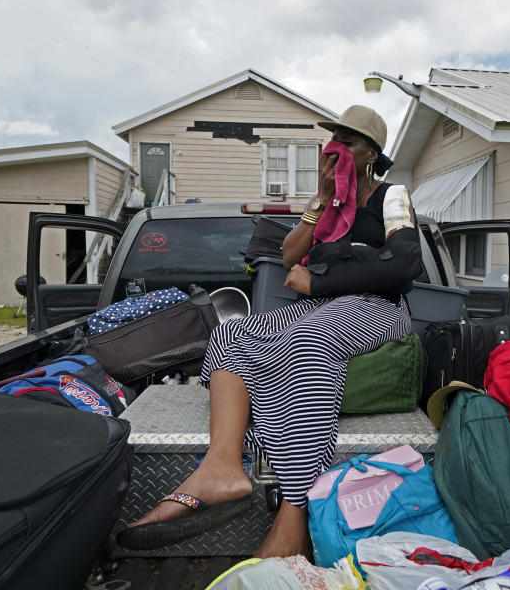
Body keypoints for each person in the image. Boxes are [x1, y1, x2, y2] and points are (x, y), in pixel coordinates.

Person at [117, 105, 423, 557]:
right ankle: (221, 467)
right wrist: (320, 197)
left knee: (308, 341)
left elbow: (404, 265)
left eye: (350, 141)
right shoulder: (329, 203)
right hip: (322, 304)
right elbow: (287, 257)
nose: (337, 148)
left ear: (372, 154)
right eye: (334, 138)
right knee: (232, 332)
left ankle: (295, 514)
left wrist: (318, 280)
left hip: (377, 306)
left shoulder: (391, 196)